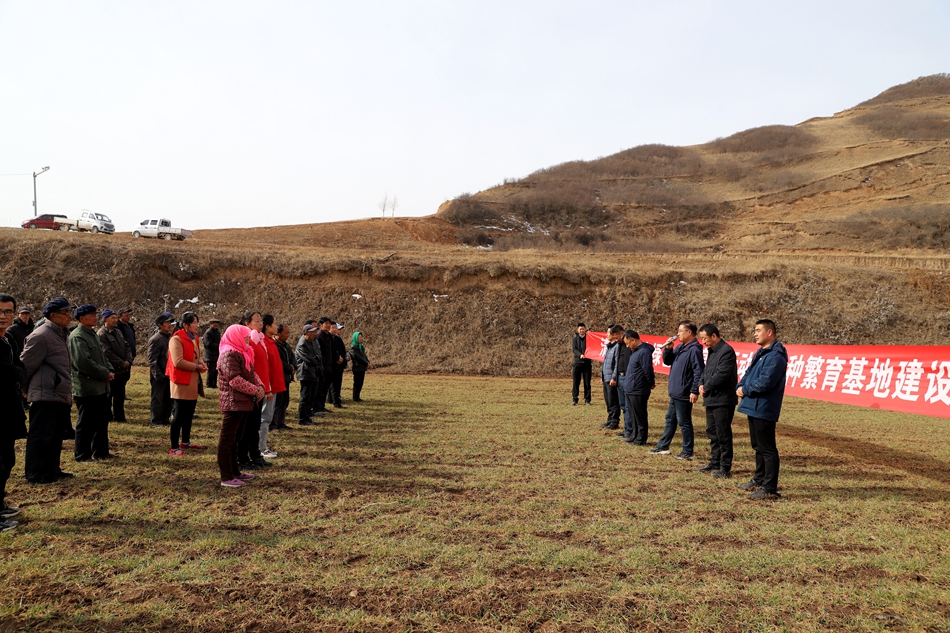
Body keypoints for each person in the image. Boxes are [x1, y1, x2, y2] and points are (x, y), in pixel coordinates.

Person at [21, 298, 75, 484]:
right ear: (53, 315)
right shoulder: (41, 335)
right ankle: (35, 473)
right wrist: (24, 389)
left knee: (56, 435)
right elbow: (25, 366)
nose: (70, 316)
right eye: (66, 312)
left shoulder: (61, 333)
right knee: (40, 436)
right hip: (46, 394)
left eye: (70, 312)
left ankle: (52, 470)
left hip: (59, 393)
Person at [736, 319, 788, 500]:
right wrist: (740, 386)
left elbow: (766, 382)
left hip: (764, 406)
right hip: (753, 405)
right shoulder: (761, 353)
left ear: (769, 332)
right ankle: (759, 479)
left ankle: (769, 487)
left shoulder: (775, 356)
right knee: (757, 446)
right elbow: (748, 374)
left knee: (767, 448)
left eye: (758, 330)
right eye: (755, 330)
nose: (755, 334)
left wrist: (745, 390)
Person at [216, 324, 265, 488]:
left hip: (243, 403)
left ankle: (235, 472)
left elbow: (251, 373)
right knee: (227, 439)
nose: (247, 341)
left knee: (236, 439)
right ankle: (226, 476)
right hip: (233, 403)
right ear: (236, 337)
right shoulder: (228, 354)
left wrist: (260, 386)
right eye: (245, 338)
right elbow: (235, 380)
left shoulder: (243, 353)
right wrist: (255, 390)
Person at [650, 320, 704, 460]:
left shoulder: (694, 349)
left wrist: (694, 390)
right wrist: (668, 349)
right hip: (675, 391)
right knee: (670, 419)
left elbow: (698, 371)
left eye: (680, 331)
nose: (678, 334)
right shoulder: (680, 347)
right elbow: (668, 361)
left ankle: (688, 451)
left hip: (684, 391)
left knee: (684, 422)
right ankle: (663, 446)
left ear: (689, 332)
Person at [69, 305, 115, 461]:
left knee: (101, 421)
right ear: (82, 318)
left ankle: (101, 452)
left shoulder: (92, 334)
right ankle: (82, 454)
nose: (95, 317)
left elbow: (102, 357)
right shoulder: (77, 336)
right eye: (92, 315)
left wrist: (109, 369)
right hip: (87, 387)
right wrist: (105, 373)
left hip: (100, 386)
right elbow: (83, 362)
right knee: (86, 423)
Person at [0, 294, 28, 530]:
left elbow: (18, 367)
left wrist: (14, 373)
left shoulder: (8, 339)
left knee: (7, 460)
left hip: (8, 409)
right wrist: (13, 373)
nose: (3, 316)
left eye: (8, 311)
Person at [697, 324, 738, 479]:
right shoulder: (712, 351)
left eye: (704, 338)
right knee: (712, 432)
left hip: (723, 400)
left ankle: (725, 467)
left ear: (714, 336)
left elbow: (722, 374)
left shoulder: (726, 351)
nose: (703, 342)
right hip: (711, 398)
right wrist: (701, 384)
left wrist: (706, 386)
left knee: (723, 434)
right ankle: (714, 462)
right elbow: (706, 371)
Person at [166, 312, 207, 455]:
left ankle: (185, 441)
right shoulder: (176, 339)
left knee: (189, 413)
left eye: (197, 322)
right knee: (178, 415)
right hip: (181, 381)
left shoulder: (194, 337)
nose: (197, 325)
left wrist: (201, 363)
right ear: (185, 325)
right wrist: (197, 367)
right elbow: (178, 361)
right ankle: (174, 446)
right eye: (194, 322)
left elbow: (197, 355)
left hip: (193, 380)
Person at [237, 311, 271, 470]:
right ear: (247, 324)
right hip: (250, 390)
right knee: (247, 426)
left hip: (259, 387)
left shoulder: (260, 340)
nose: (260, 324)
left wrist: (264, 387)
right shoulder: (248, 341)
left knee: (255, 425)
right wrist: (255, 388)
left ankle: (255, 455)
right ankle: (243, 458)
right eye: (257, 321)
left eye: (261, 321)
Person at [98, 309, 133, 423]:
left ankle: (120, 417)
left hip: (122, 370)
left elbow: (126, 346)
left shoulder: (117, 331)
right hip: (112, 369)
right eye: (112, 318)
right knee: (109, 395)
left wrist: (128, 360)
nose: (115, 320)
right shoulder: (102, 334)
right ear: (105, 319)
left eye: (116, 318)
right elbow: (107, 353)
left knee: (120, 395)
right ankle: (108, 416)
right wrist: (121, 363)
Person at [621, 331, 655, 445]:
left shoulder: (644, 352)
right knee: (633, 415)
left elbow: (647, 370)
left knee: (640, 415)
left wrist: (651, 382)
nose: (627, 346)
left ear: (633, 340)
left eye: (627, 343)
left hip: (638, 389)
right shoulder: (635, 352)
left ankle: (641, 438)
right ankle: (634, 435)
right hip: (630, 388)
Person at [259, 314, 286, 459]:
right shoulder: (263, 342)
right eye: (275, 324)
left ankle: (262, 444)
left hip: (272, 386)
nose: (277, 326)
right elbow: (264, 368)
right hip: (267, 387)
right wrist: (267, 388)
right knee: (265, 417)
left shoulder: (271, 342)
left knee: (266, 417)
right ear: (267, 327)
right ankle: (261, 448)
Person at [147, 314, 175, 427]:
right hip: (159, 375)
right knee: (157, 398)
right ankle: (156, 420)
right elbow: (152, 360)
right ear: (160, 325)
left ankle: (165, 419)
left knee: (168, 398)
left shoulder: (169, 337)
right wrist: (158, 375)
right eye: (166, 323)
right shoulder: (155, 339)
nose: (169, 325)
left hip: (169, 374)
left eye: (170, 323)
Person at [271, 324, 296, 430]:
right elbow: (278, 361)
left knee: (285, 401)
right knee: (277, 402)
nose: (288, 335)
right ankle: (273, 424)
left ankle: (281, 422)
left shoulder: (286, 345)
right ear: (278, 333)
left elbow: (293, 357)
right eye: (286, 333)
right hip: (278, 377)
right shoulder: (274, 345)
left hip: (286, 378)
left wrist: (294, 365)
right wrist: (289, 367)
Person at [295, 324, 320, 425]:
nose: (315, 333)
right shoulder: (302, 344)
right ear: (306, 333)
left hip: (311, 372)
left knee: (310, 397)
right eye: (312, 332)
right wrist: (316, 359)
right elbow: (310, 360)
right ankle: (302, 419)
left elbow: (318, 356)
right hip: (305, 373)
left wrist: (316, 358)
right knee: (305, 397)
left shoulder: (311, 342)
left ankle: (307, 417)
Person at [600, 325, 623, 430]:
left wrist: (614, 377)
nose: (607, 335)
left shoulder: (617, 346)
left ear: (614, 335)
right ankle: (610, 419)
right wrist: (602, 376)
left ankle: (614, 421)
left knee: (613, 400)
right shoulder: (609, 347)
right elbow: (606, 363)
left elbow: (617, 364)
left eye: (608, 333)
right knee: (608, 400)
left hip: (611, 379)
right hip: (606, 377)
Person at [314, 317, 334, 414]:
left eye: (329, 323)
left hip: (329, 366)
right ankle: (317, 407)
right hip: (322, 366)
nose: (328, 325)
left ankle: (322, 406)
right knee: (320, 388)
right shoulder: (319, 336)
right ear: (321, 325)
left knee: (325, 388)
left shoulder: (329, 336)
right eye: (326, 323)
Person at [616, 329, 633, 439]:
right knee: (623, 405)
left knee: (628, 406)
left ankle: (630, 429)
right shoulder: (619, 346)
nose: (616, 339)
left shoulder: (630, 347)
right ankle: (627, 428)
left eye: (617, 336)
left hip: (627, 377)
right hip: (619, 377)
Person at [326, 322, 347, 408]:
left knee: (338, 383)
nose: (334, 330)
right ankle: (333, 401)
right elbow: (328, 352)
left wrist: (342, 359)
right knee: (332, 385)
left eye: (335, 328)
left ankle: (336, 400)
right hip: (331, 365)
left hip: (339, 365)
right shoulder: (327, 339)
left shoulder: (338, 339)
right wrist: (336, 358)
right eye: (333, 328)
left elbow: (343, 350)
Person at [571, 323, 592, 406]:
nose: (581, 331)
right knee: (576, 382)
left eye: (583, 329)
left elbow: (592, 348)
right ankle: (575, 399)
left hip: (587, 363)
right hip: (577, 363)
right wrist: (580, 355)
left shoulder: (589, 338)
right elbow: (574, 349)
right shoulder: (575, 339)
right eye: (580, 329)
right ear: (577, 330)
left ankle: (587, 400)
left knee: (587, 383)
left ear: (585, 329)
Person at [202, 318, 222, 389]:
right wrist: (218, 346)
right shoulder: (208, 333)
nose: (216, 324)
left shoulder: (217, 332)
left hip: (216, 355)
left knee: (215, 371)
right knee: (211, 371)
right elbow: (208, 344)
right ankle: (209, 385)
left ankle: (214, 384)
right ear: (211, 324)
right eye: (214, 323)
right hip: (210, 355)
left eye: (217, 323)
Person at [349, 331, 369, 402]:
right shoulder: (353, 347)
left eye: (361, 337)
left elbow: (363, 356)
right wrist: (365, 362)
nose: (361, 338)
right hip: (357, 367)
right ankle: (355, 397)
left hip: (362, 367)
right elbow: (356, 356)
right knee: (357, 383)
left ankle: (358, 396)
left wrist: (367, 361)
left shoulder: (360, 347)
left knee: (360, 383)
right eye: (359, 337)